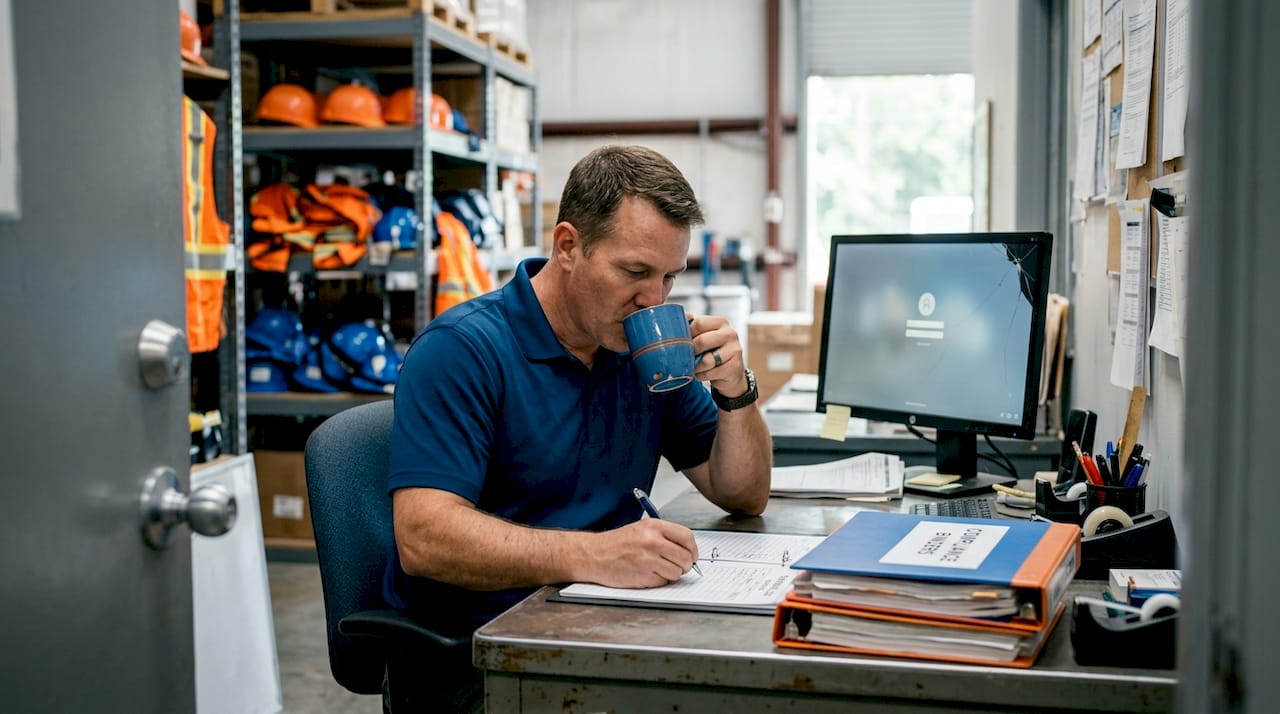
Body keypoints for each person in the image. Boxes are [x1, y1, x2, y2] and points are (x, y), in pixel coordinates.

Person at [383, 144, 772, 710]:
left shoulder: (640, 347)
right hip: (478, 655)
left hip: (603, 623)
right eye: (634, 272)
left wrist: (736, 390)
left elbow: (743, 494)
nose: (653, 300)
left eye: (669, 277)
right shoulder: (462, 351)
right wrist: (595, 556)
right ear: (568, 246)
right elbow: (424, 538)